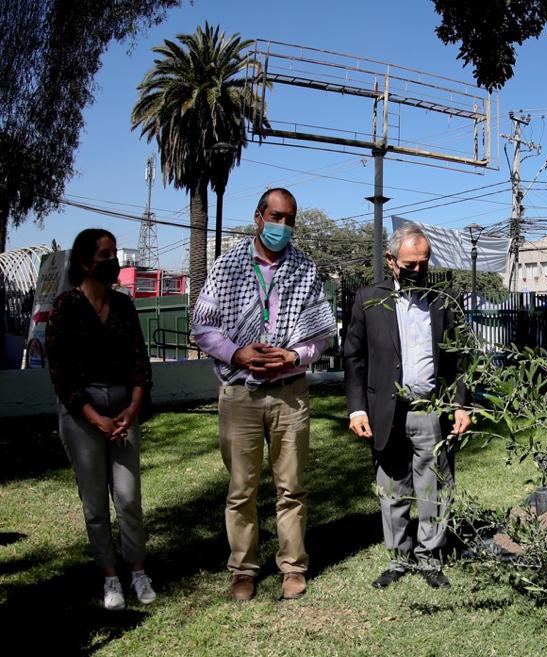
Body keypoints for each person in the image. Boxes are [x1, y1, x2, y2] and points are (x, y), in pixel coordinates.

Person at [192, 188, 335, 601]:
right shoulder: (228, 265)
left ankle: (293, 566)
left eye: (290, 219)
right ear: (258, 217)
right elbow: (203, 326)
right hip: (240, 394)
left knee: (291, 488)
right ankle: (243, 570)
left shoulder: (305, 269)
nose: (283, 227)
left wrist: (291, 355)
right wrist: (238, 353)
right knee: (242, 489)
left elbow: (321, 335)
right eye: (276, 217)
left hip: (290, 392)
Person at [343, 223, 471, 590]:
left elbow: (460, 360)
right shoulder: (369, 299)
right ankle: (398, 558)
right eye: (410, 263)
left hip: (431, 411)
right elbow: (353, 357)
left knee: (434, 488)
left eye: (424, 263)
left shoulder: (443, 302)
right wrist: (357, 409)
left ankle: (430, 557)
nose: (418, 269)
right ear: (391, 260)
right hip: (386, 411)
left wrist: (462, 405)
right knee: (393, 488)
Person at [46, 228, 156, 610]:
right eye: (106, 255)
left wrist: (131, 409)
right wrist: (96, 419)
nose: (114, 262)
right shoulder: (65, 309)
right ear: (84, 262)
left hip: (124, 409)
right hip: (83, 414)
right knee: (95, 502)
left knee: (128, 497)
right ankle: (110, 577)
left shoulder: (124, 306)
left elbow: (140, 362)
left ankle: (138, 571)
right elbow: (62, 376)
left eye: (114, 254)